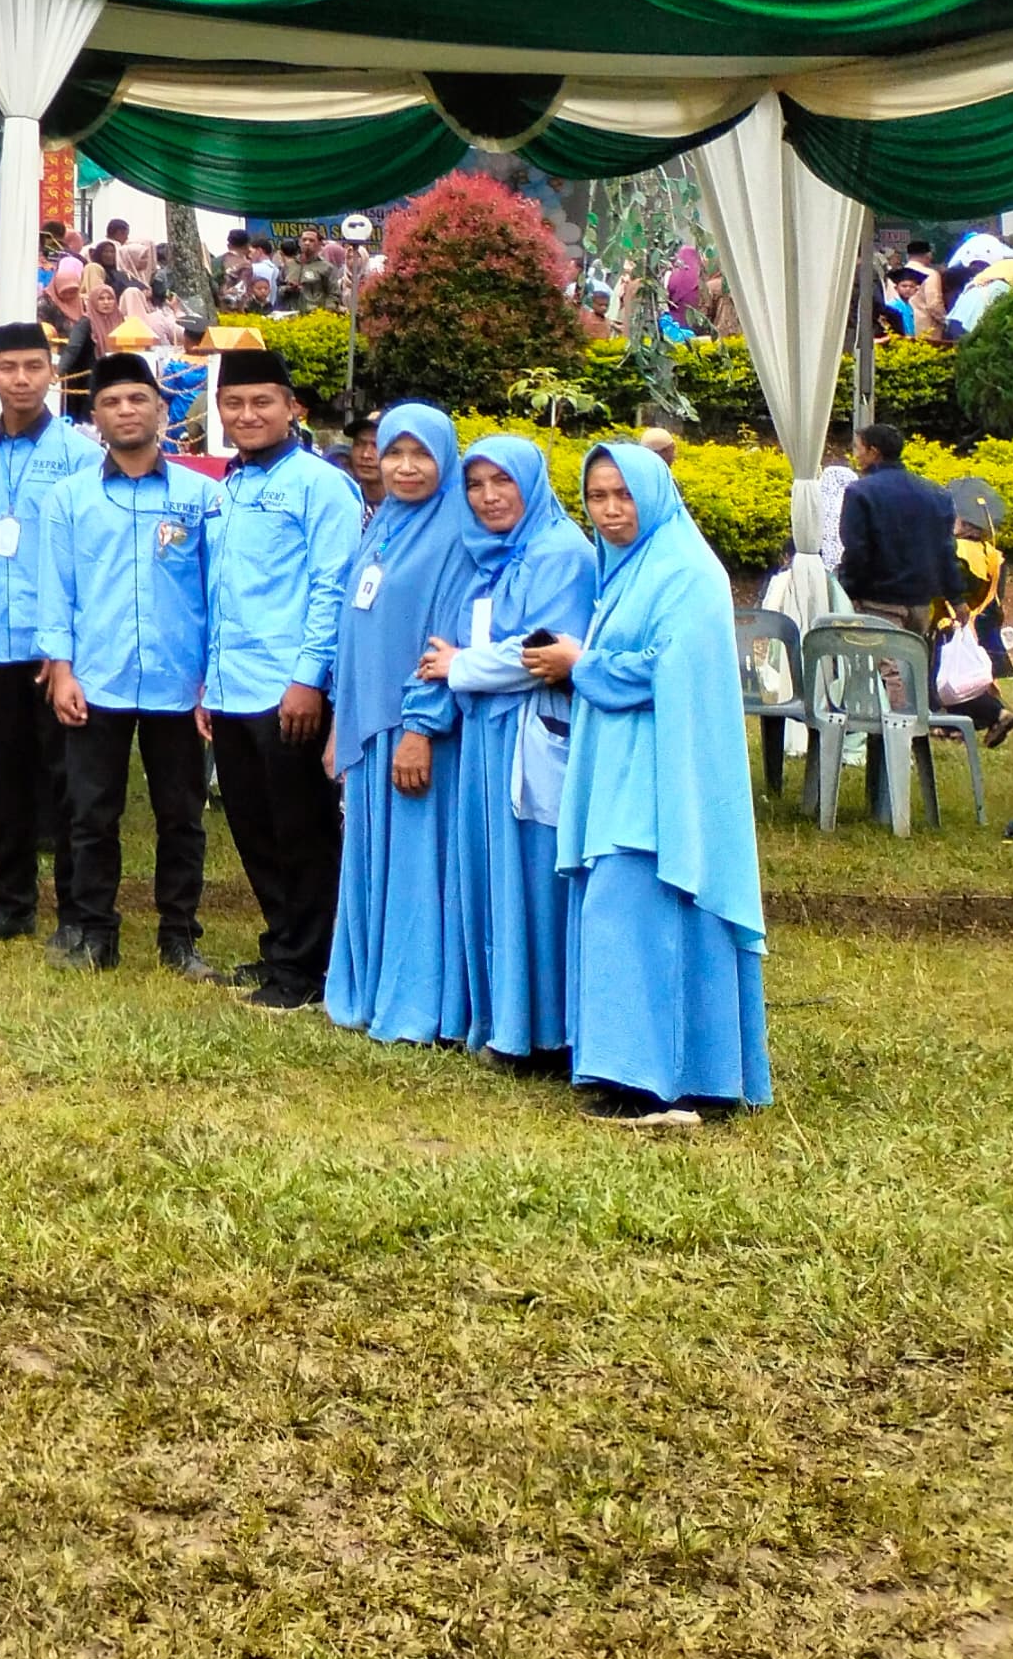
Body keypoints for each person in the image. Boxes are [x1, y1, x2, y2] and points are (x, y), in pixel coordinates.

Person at [536, 443, 770, 1124]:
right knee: (629, 914)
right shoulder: (631, 569)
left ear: (654, 496)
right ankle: (643, 1071)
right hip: (623, 768)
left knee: (642, 908)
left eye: (623, 496)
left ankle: (659, 1080)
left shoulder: (688, 570)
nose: (610, 512)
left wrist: (583, 663)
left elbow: (666, 667)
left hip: (662, 775)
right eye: (598, 497)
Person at [32, 349, 221, 972]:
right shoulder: (68, 497)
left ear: (162, 411)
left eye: (138, 399)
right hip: (97, 677)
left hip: (179, 680)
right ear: (96, 417)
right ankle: (92, 932)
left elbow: (219, 591)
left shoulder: (202, 496)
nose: (126, 410)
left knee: (181, 817)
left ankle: (178, 936)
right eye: (112, 402)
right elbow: (55, 587)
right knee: (90, 813)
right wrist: (60, 667)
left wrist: (209, 680)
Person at [422, 435, 591, 1067]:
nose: (489, 497)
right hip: (489, 735)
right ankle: (500, 1019)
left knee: (535, 877)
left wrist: (460, 664)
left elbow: (542, 653)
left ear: (533, 484)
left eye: (503, 482)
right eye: (475, 484)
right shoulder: (492, 555)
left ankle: (543, 1031)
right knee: (494, 874)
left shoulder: (560, 553)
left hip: (534, 736)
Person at [205, 346, 360, 1012]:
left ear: (291, 408)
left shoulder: (321, 486)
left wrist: (308, 680)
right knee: (252, 826)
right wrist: (204, 688)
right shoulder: (227, 487)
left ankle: (310, 969)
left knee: (303, 832)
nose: (248, 415)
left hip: (287, 691)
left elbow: (332, 588)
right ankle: (281, 945)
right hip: (230, 687)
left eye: (262, 402)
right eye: (234, 404)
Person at [320, 404, 478, 1043]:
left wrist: (420, 728)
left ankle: (420, 1006)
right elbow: (354, 625)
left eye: (422, 455)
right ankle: (375, 988)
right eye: (394, 454)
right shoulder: (384, 523)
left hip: (416, 730)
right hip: (369, 723)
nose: (406, 468)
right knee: (372, 860)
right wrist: (341, 721)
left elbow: (448, 637)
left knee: (416, 868)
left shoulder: (457, 533)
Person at [0, 322, 103, 944]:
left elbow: (93, 559)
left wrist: (67, 644)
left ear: (52, 373)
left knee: (70, 785)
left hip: (57, 652)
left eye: (33, 367)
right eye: (8, 368)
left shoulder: (82, 456)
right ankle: (10, 903)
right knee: (4, 781)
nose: (21, 379)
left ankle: (75, 912)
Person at [837, 422, 958, 637]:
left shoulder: (860, 493)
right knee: (913, 665)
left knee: (885, 668)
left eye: (857, 448)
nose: (855, 455)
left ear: (873, 451)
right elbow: (946, 550)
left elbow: (856, 550)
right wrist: (957, 598)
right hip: (922, 601)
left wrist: (848, 590)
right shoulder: (936, 494)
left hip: (879, 601)